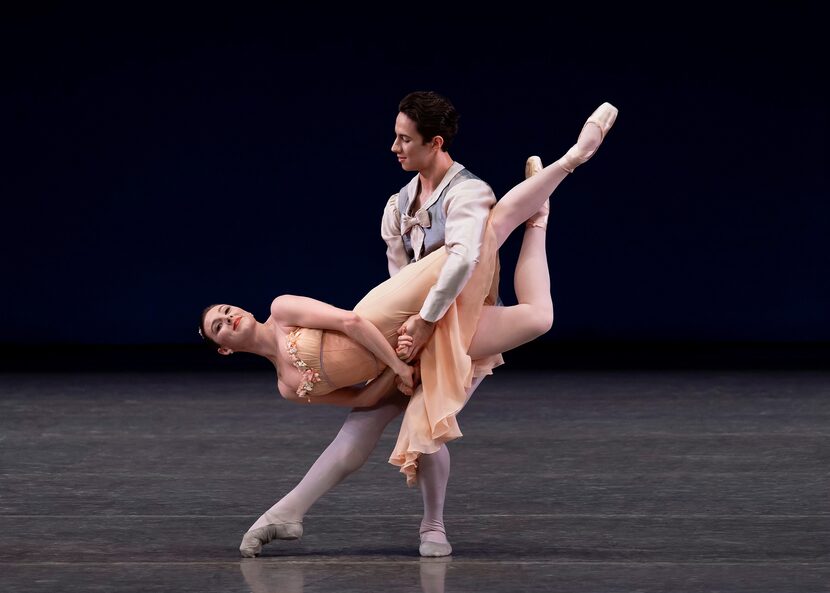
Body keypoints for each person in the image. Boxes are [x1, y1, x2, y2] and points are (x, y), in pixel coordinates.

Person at [202, 99, 618, 557]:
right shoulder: (397, 208)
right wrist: (400, 363)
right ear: (224, 349)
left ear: (433, 142)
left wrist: (419, 328)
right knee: (364, 432)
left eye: (404, 138)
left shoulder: (468, 192)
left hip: (423, 315)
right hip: (402, 333)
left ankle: (567, 167)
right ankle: (287, 514)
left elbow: (370, 309)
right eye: (219, 327)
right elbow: (395, 277)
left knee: (495, 249)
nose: (394, 146)